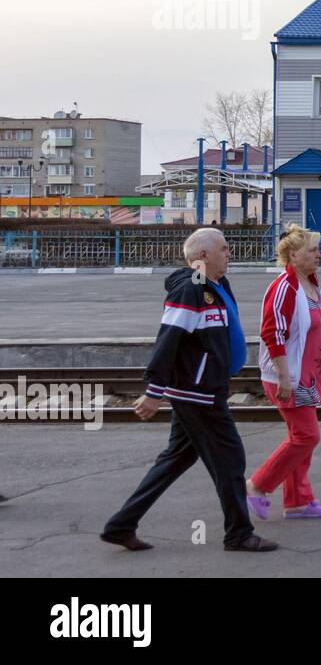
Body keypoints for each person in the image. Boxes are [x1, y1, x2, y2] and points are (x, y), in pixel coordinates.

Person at [102, 227, 277, 552]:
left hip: (204, 388)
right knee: (230, 459)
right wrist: (154, 389)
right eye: (223, 248)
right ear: (202, 255)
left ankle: (120, 525)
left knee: (175, 459)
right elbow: (169, 339)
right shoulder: (190, 290)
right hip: (198, 393)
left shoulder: (216, 285)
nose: (229, 253)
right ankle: (238, 534)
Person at [246, 225, 321, 521]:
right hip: (288, 376)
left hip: (307, 375)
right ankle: (256, 486)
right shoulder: (285, 286)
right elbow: (273, 333)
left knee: (300, 437)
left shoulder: (310, 282)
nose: (318, 255)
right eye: (312, 250)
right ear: (293, 255)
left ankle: (298, 500)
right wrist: (284, 377)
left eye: (317, 249)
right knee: (307, 436)